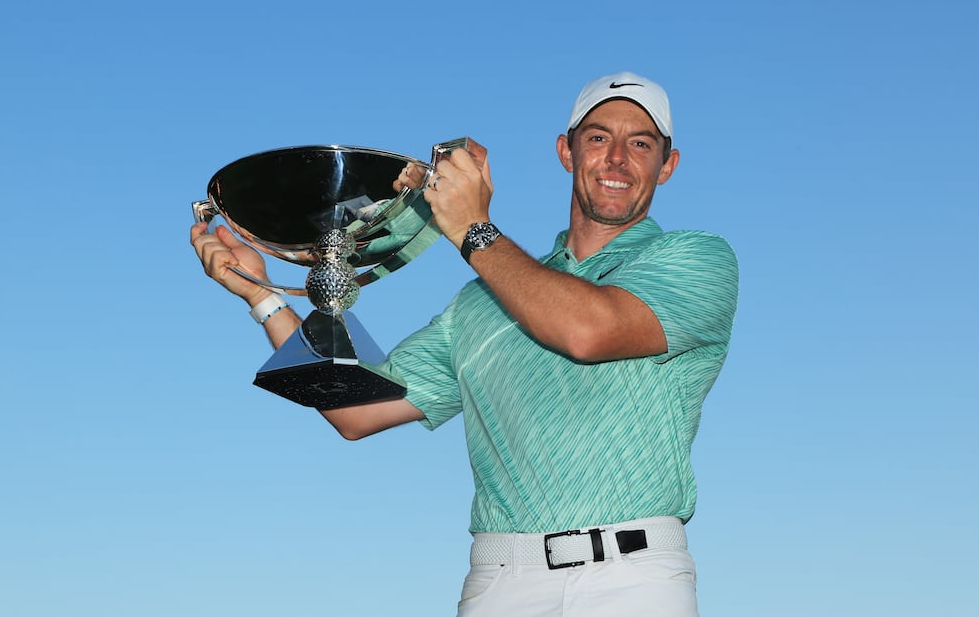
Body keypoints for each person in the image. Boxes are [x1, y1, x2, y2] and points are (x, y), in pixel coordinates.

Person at [190, 72, 739, 616]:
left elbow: (586, 331)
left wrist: (472, 228)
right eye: (597, 138)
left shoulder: (696, 259)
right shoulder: (481, 301)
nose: (617, 158)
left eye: (640, 143)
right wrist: (261, 297)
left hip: (634, 579)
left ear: (667, 165)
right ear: (566, 153)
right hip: (501, 583)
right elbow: (352, 410)